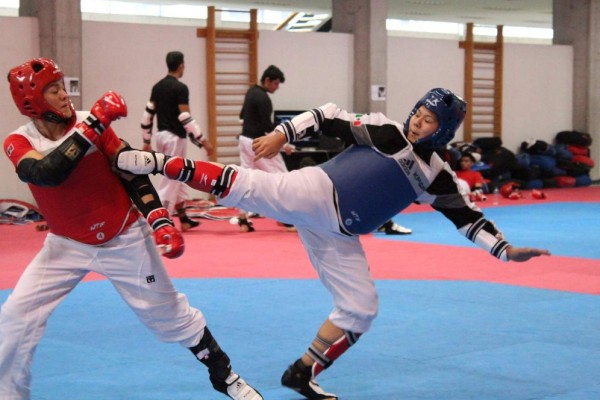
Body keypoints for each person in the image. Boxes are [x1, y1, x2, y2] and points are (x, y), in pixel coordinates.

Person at [117, 88, 551, 400]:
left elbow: (467, 218)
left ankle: (302, 374)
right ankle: (154, 163)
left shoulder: (436, 177)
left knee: (361, 308)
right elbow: (327, 115)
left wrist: (504, 250)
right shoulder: (384, 132)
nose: (418, 120)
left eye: (429, 119)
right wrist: (285, 134)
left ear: (444, 130)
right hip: (316, 191)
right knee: (248, 186)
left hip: (337, 235)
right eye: (419, 111)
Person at [1, 58, 261, 400]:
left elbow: (131, 171)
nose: (64, 95)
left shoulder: (90, 126)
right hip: (65, 244)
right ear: (31, 100)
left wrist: (160, 218)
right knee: (16, 316)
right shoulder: (21, 141)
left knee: (169, 316)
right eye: (53, 90)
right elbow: (46, 173)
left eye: (63, 86)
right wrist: (93, 124)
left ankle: (224, 375)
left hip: (123, 236)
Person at [141, 51, 213, 231]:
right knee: (171, 179)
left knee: (178, 176)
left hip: (160, 136)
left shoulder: (157, 87)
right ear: (181, 66)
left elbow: (148, 115)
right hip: (175, 138)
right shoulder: (181, 88)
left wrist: (146, 140)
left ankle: (184, 219)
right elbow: (185, 117)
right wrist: (203, 140)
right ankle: (160, 222)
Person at [237, 64, 292, 232]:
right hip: (258, 143)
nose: (277, 87)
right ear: (267, 80)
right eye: (275, 83)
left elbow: (241, 117)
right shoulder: (263, 98)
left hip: (245, 140)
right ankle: (286, 218)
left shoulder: (250, 92)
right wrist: (285, 145)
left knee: (245, 180)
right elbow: (268, 128)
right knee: (282, 178)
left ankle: (243, 218)